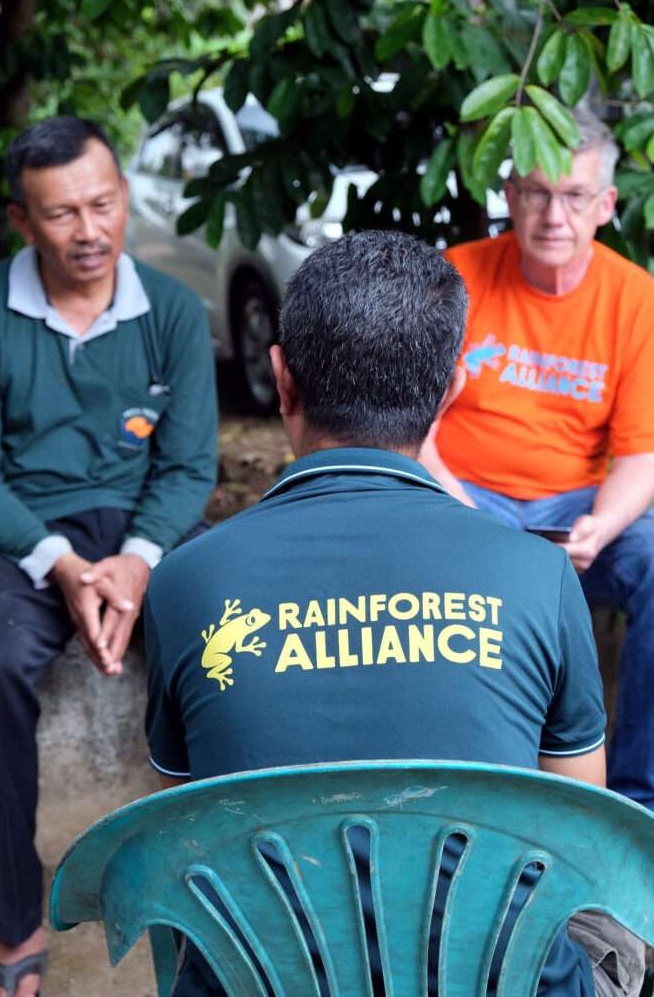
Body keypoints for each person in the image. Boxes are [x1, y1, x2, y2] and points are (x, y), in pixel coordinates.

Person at [144, 230, 643, 997]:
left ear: (280, 379)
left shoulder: (186, 583)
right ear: (450, 391)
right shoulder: (538, 574)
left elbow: (177, 832)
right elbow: (579, 839)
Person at [0, 116, 217, 997]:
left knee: (233, 645)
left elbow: (188, 466)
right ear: (20, 221)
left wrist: (139, 562)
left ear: (123, 198)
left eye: (102, 204)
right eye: (61, 213)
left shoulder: (172, 310)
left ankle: (235, 887)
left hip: (146, 525)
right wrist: (65, 567)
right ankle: (16, 919)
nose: (89, 230)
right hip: (20, 530)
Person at [421, 107, 654, 814]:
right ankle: (452, 797)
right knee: (403, 556)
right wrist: (460, 510)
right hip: (457, 495)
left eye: (574, 196)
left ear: (605, 205)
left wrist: (600, 527)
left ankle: (636, 805)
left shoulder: (636, 299)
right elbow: (409, 426)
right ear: (510, 197)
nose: (554, 216)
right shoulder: (454, 277)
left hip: (574, 509)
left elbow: (641, 453)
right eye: (537, 194)